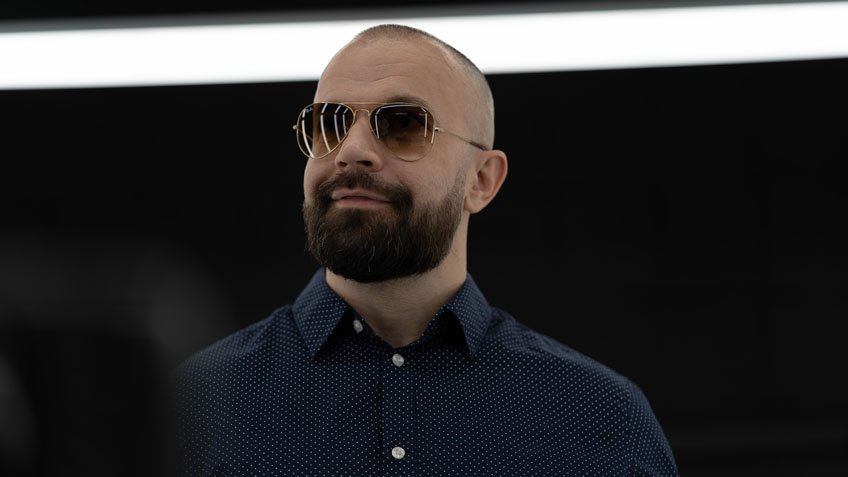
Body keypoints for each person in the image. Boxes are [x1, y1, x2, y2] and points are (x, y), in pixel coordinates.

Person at [175, 23, 679, 476]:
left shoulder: (599, 417)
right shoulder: (191, 407)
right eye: (329, 123)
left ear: (481, 181)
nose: (350, 150)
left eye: (402, 125)